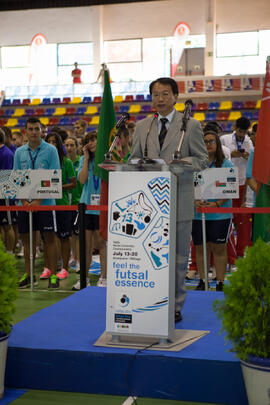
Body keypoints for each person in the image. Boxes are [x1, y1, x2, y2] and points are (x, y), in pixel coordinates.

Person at [129, 77, 208, 322]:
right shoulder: (143, 126)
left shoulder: (191, 125)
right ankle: (151, 300)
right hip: (148, 205)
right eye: (155, 95)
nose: (160, 99)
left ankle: (174, 306)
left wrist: (176, 166)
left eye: (165, 94)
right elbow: (133, 159)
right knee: (150, 256)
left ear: (175, 96)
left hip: (179, 200)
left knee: (178, 258)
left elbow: (202, 159)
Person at [13, 117, 61, 289]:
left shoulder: (51, 150)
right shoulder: (19, 152)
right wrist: (25, 201)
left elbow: (54, 177)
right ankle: (28, 274)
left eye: (37, 129)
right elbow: (16, 179)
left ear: (42, 130)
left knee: (49, 239)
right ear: (26, 131)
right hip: (25, 205)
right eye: (31, 129)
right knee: (26, 241)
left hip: (46, 203)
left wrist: (38, 201)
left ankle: (53, 275)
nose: (34, 132)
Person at [192, 130, 234, 291]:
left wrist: (216, 204)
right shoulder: (196, 164)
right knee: (200, 248)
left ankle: (220, 282)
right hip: (198, 213)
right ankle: (203, 281)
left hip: (220, 214)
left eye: (211, 141)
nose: (208, 144)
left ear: (217, 144)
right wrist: (196, 200)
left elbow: (230, 188)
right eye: (205, 141)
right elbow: (190, 186)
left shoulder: (226, 164)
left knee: (219, 248)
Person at [72, 131, 107, 291]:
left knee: (101, 244)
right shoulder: (82, 159)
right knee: (85, 246)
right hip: (86, 206)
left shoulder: (107, 160)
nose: (92, 143)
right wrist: (86, 159)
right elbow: (82, 180)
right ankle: (84, 278)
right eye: (89, 141)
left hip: (102, 207)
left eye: (95, 140)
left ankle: (104, 278)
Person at [43, 132, 76, 281]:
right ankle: (49, 267)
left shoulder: (67, 162)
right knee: (48, 237)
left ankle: (64, 267)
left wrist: (58, 187)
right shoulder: (43, 162)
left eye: (54, 142)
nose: (51, 144)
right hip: (46, 204)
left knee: (64, 236)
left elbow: (74, 183)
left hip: (62, 204)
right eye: (49, 142)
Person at [220, 117, 254, 257]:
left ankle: (241, 253)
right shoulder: (224, 139)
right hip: (226, 184)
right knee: (227, 221)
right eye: (240, 131)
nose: (241, 134)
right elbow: (219, 157)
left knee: (243, 223)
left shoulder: (248, 141)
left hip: (242, 185)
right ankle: (229, 255)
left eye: (244, 132)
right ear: (235, 127)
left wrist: (247, 156)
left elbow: (251, 162)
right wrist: (231, 155)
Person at [64, 136, 84, 271]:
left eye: (72, 145)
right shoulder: (64, 163)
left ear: (77, 146)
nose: (69, 148)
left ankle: (78, 261)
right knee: (70, 232)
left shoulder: (80, 162)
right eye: (67, 145)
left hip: (78, 201)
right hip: (67, 202)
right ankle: (72, 256)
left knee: (77, 233)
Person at [0, 128, 16, 253]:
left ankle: (10, 252)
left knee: (8, 225)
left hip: (5, 194)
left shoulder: (6, 154)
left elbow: (8, 176)